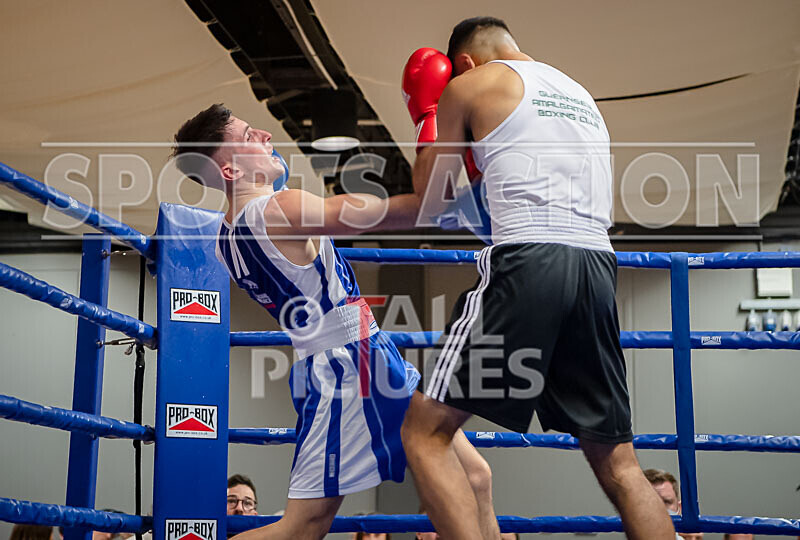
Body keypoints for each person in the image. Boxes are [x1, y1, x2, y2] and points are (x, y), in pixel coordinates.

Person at [400, 16, 676, 540]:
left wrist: (429, 110)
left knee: (424, 433)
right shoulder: (580, 95)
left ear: (463, 62)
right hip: (596, 267)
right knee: (620, 464)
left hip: (528, 261)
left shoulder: (468, 83)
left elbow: (431, 200)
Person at [171, 104, 494, 540]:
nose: (266, 135)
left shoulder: (224, 240)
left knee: (476, 478)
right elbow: (379, 213)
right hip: (348, 364)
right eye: (249, 135)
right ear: (228, 169)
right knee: (302, 527)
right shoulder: (280, 209)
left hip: (349, 359)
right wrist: (453, 180)